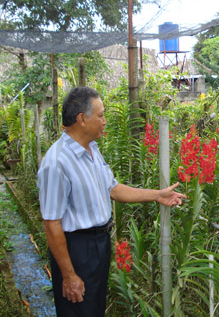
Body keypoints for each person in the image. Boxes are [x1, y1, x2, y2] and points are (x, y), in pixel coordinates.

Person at [37, 86, 187, 317]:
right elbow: (51, 223)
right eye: (100, 115)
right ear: (82, 119)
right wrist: (68, 275)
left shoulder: (92, 150)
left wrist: (158, 195)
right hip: (76, 250)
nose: (105, 121)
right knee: (77, 309)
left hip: (99, 244)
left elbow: (114, 189)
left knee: (94, 308)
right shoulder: (56, 163)